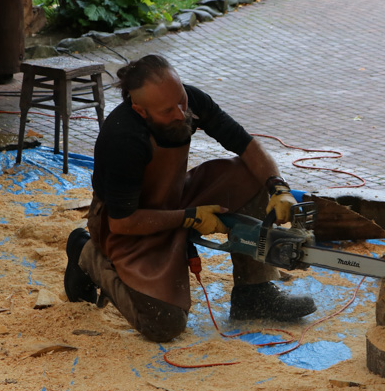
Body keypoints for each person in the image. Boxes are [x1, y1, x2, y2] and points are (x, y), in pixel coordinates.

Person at [64, 55, 317, 342]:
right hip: (127, 223)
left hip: (175, 195)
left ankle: (253, 292)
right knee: (164, 325)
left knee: (251, 175)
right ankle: (86, 252)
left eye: (181, 100)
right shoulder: (124, 137)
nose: (180, 112)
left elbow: (246, 146)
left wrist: (278, 187)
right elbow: (123, 223)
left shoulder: (189, 102)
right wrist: (190, 217)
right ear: (141, 111)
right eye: (167, 110)